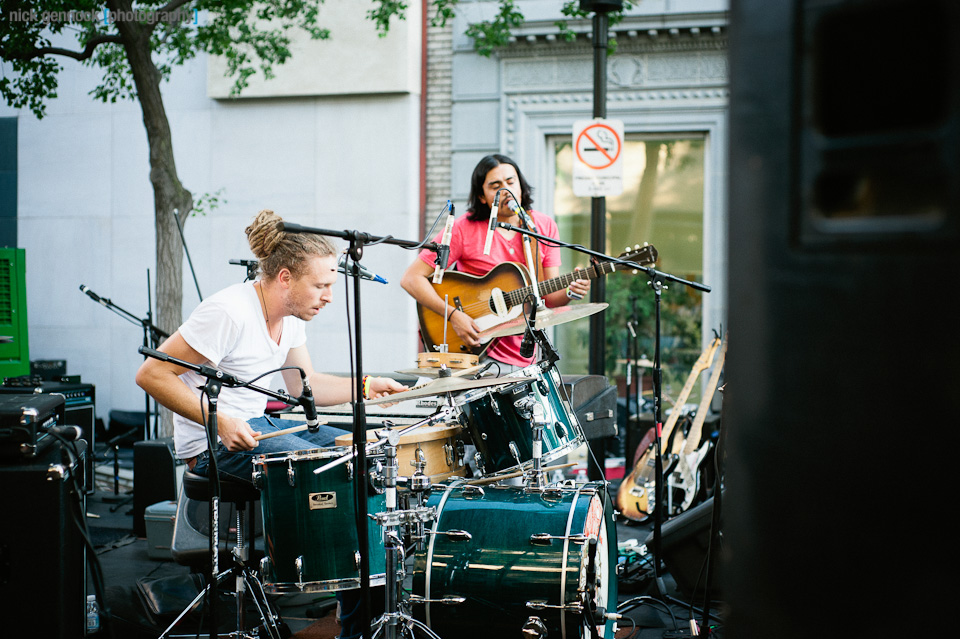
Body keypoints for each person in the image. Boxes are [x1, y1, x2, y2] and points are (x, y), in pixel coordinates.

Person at [135, 208, 405, 639]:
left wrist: (368, 385)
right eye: (321, 285)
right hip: (213, 448)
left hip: (259, 428)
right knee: (326, 466)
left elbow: (305, 385)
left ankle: (356, 614)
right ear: (284, 278)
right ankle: (344, 616)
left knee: (369, 448)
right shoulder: (229, 311)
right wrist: (218, 421)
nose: (329, 296)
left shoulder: (289, 319)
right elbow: (151, 373)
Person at [400, 154, 591, 373]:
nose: (506, 191)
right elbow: (411, 279)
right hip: (476, 353)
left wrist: (571, 291)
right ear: (482, 196)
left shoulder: (542, 227)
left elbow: (546, 297)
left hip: (525, 355)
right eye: (495, 186)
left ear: (521, 186)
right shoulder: (463, 229)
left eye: (511, 182)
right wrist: (453, 316)